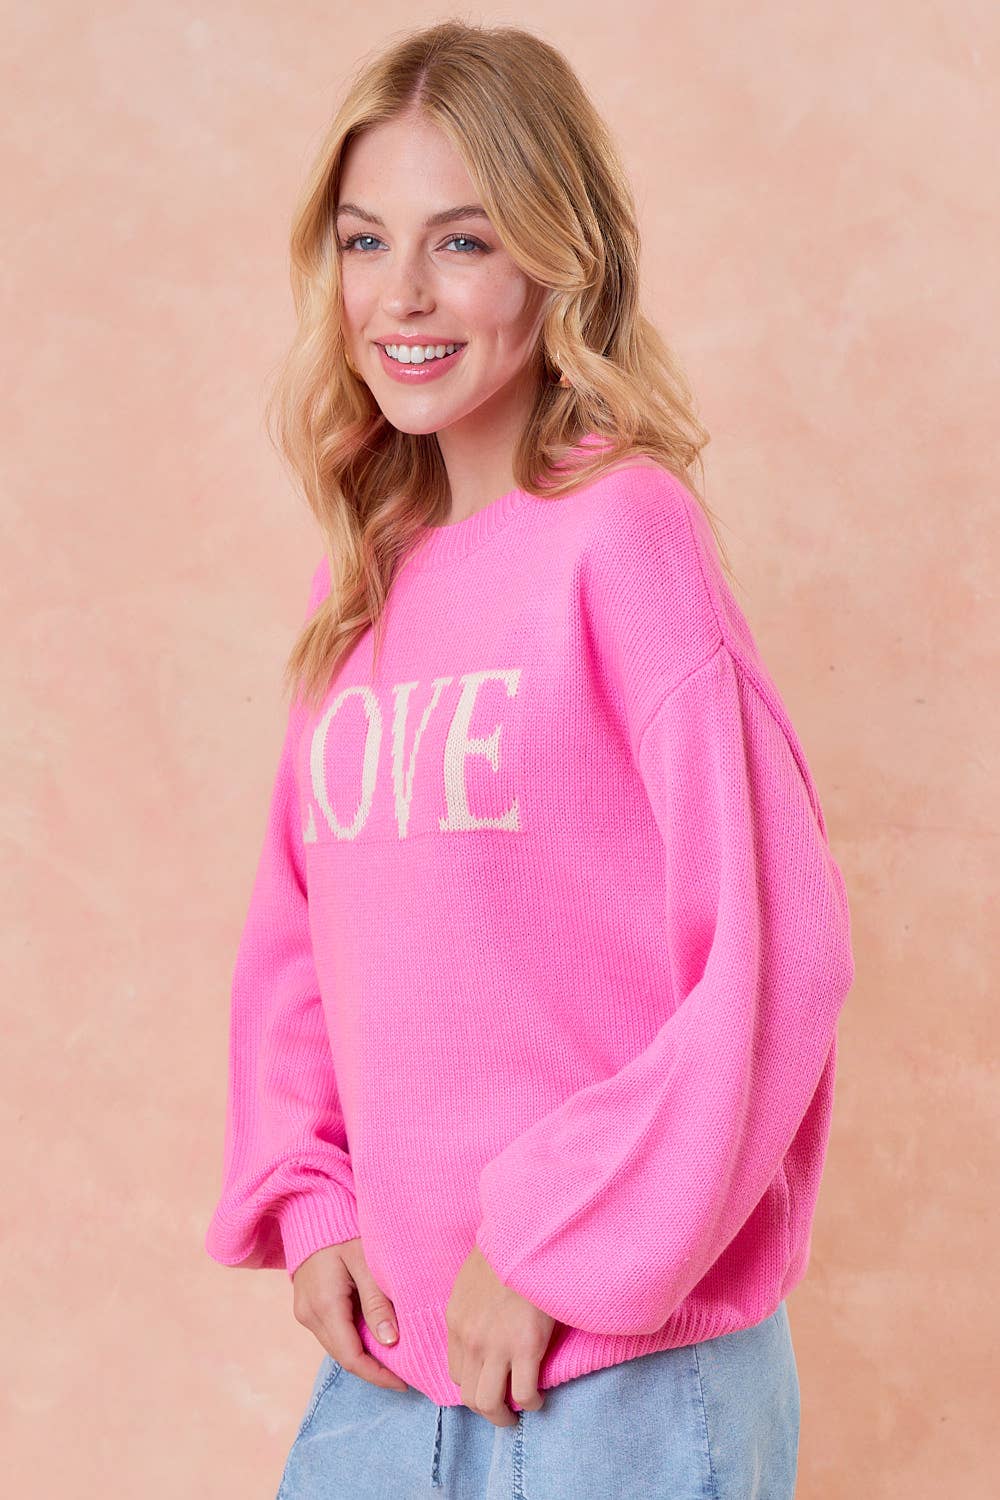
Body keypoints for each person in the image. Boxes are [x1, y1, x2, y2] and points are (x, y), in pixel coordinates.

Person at [203, 19, 855, 1499]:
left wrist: (559, 1246)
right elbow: (299, 939)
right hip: (395, 1367)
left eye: (463, 240)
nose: (402, 295)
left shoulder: (623, 536)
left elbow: (780, 953)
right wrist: (314, 1205)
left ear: (560, 262)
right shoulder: (364, 580)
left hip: (624, 1371)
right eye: (366, 241)